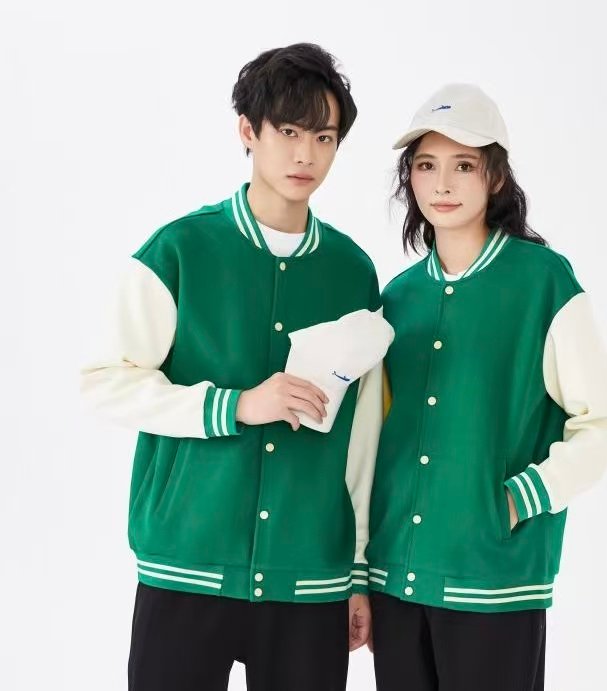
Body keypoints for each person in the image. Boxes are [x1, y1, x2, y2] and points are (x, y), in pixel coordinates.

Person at [80, 43, 384, 691]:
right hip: (187, 563)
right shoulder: (179, 250)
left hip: (310, 574)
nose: (306, 155)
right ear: (248, 131)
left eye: (324, 137)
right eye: (289, 132)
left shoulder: (353, 272)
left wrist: (357, 570)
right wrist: (235, 404)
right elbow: (105, 382)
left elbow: (363, 436)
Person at [365, 83, 607, 691]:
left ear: (497, 177)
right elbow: (376, 437)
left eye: (463, 165)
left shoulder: (544, 281)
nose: (442, 184)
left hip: (494, 578)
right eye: (426, 166)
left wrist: (519, 499)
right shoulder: (398, 297)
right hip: (395, 577)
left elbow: (603, 420)